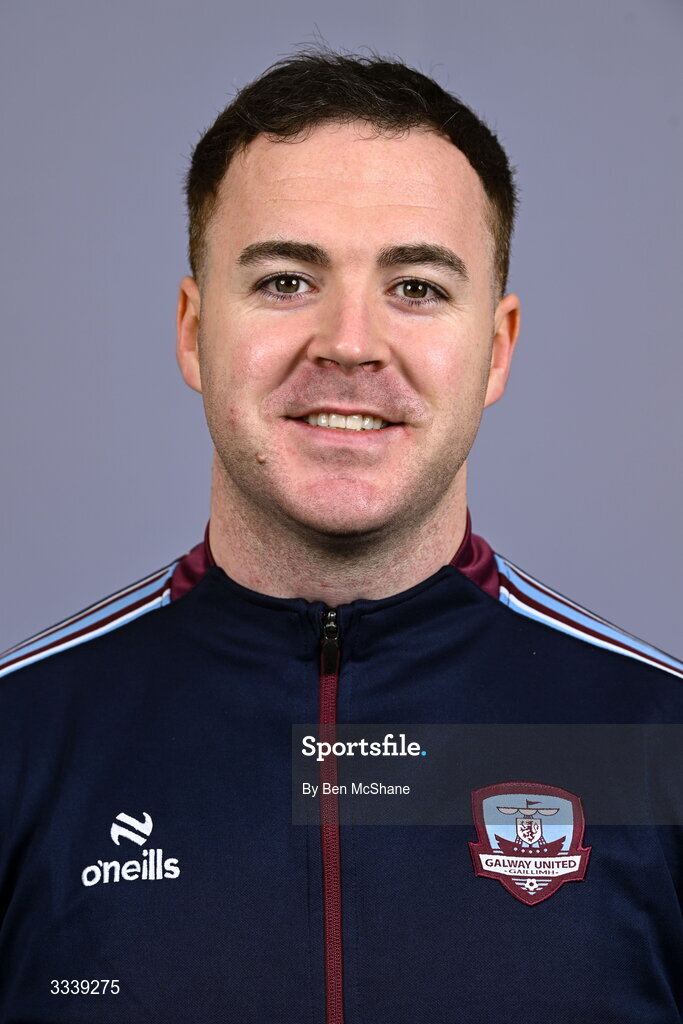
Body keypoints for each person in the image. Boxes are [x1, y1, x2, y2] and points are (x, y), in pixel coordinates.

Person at [0, 50, 681, 1024]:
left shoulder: (656, 748)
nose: (350, 342)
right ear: (194, 331)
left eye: (415, 287)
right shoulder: (22, 741)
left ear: (494, 349)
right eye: (284, 280)